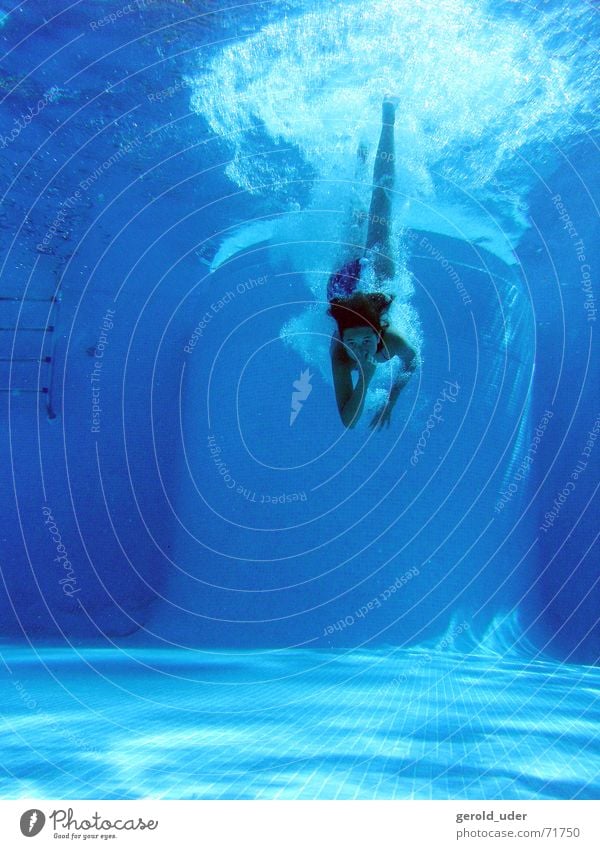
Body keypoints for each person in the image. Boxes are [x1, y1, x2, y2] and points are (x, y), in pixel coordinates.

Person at [328, 96, 417, 429]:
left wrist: (390, 398)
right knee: (381, 208)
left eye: (365, 341)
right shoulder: (341, 350)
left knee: (356, 214)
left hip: (341, 284)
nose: (361, 350)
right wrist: (366, 380)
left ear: (379, 331)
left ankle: (362, 157)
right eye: (354, 343)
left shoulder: (390, 340)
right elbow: (348, 422)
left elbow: (412, 359)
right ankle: (388, 118)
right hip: (376, 279)